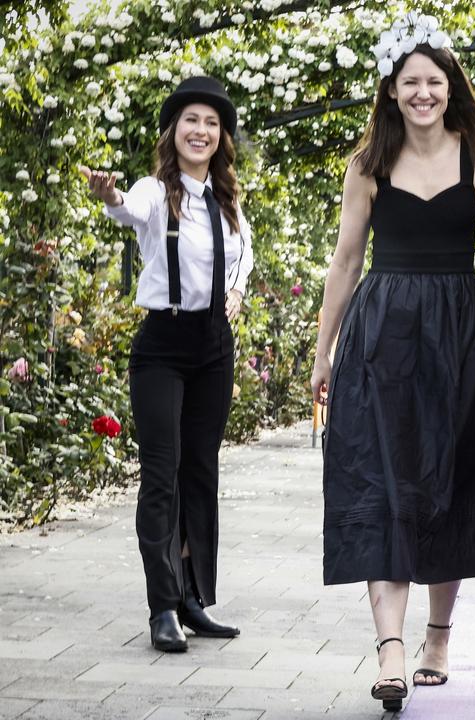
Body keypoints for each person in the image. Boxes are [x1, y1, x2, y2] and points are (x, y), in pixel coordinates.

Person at [308, 13, 475, 712]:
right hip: (382, 330)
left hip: (459, 330)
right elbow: (346, 261)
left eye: (434, 82)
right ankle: (390, 648)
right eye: (410, 82)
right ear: (390, 90)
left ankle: (437, 637)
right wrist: (323, 352)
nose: (423, 93)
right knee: (382, 479)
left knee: (450, 479)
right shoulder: (368, 164)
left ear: (451, 89)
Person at [80, 76, 253, 653]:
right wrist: (109, 196)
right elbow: (126, 210)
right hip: (162, 347)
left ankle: (194, 599)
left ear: (220, 135)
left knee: (201, 472)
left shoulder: (228, 200)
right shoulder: (155, 191)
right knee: (162, 476)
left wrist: (235, 291)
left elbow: (241, 257)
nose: (200, 131)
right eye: (190, 121)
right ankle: (162, 607)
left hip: (213, 347)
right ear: (174, 131)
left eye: (210, 122)